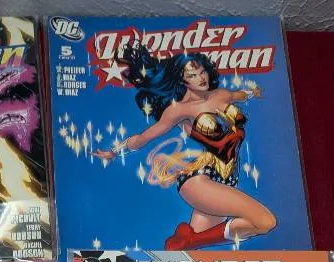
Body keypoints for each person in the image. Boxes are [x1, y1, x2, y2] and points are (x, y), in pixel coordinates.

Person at [95, 44, 275, 250]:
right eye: (192, 75)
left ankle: (186, 241)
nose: (201, 78)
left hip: (226, 179)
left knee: (190, 254)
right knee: (265, 221)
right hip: (201, 180)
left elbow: (240, 95)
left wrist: (256, 92)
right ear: (182, 80)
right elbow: (143, 138)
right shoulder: (179, 110)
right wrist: (113, 152)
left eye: (202, 72)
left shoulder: (221, 95)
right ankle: (190, 240)